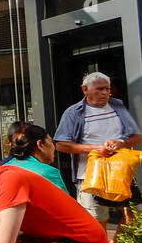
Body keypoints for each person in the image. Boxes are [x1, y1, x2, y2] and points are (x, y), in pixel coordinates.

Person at [53, 71, 142, 225]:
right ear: (85, 90)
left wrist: (120, 142)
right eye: (100, 89)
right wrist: (95, 148)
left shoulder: (117, 106)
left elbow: (137, 137)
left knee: (134, 219)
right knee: (96, 224)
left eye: (107, 89)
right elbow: (60, 145)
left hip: (120, 175)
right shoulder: (73, 113)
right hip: (89, 178)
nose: (105, 93)